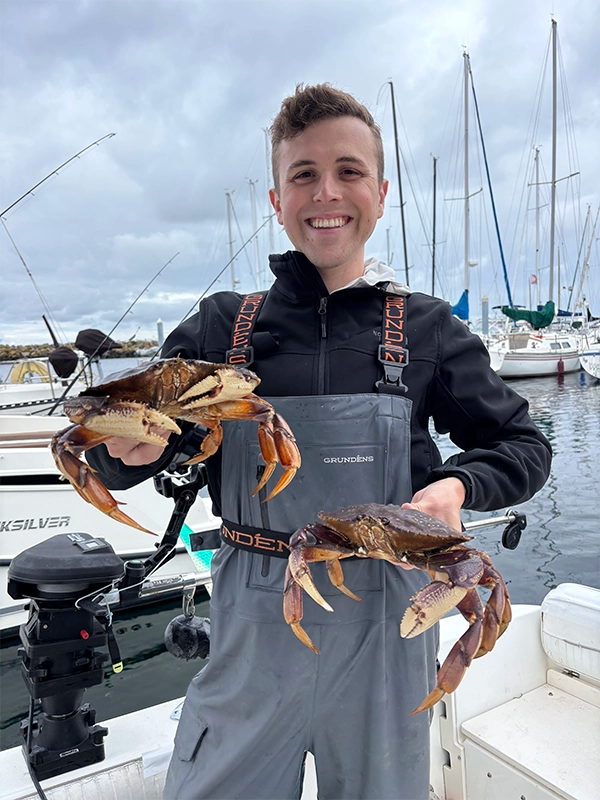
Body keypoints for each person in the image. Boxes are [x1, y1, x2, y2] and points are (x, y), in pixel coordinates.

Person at [87, 84, 552, 800]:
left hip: (388, 621)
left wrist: (458, 485)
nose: (326, 192)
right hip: (252, 621)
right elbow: (123, 448)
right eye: (303, 174)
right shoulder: (221, 327)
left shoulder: (426, 329)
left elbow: (522, 444)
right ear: (277, 200)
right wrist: (130, 449)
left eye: (348, 171)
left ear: (381, 194)